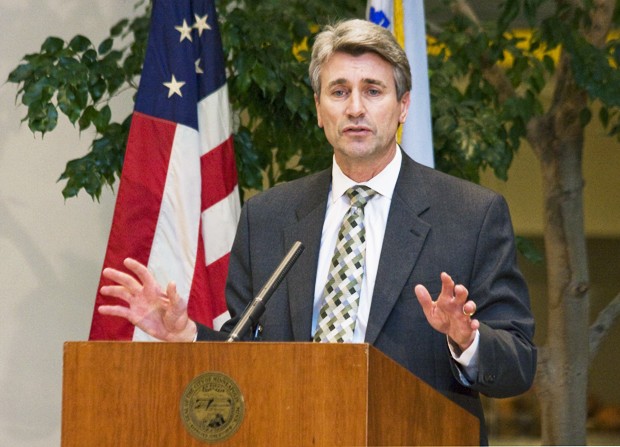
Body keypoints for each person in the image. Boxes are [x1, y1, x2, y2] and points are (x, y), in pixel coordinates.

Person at [99, 19, 536, 444]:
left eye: (373, 91)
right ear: (318, 109)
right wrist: (189, 335)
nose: (355, 108)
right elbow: (248, 354)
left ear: (403, 106)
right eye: (339, 91)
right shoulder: (268, 216)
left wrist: (467, 339)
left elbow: (518, 363)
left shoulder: (471, 214)